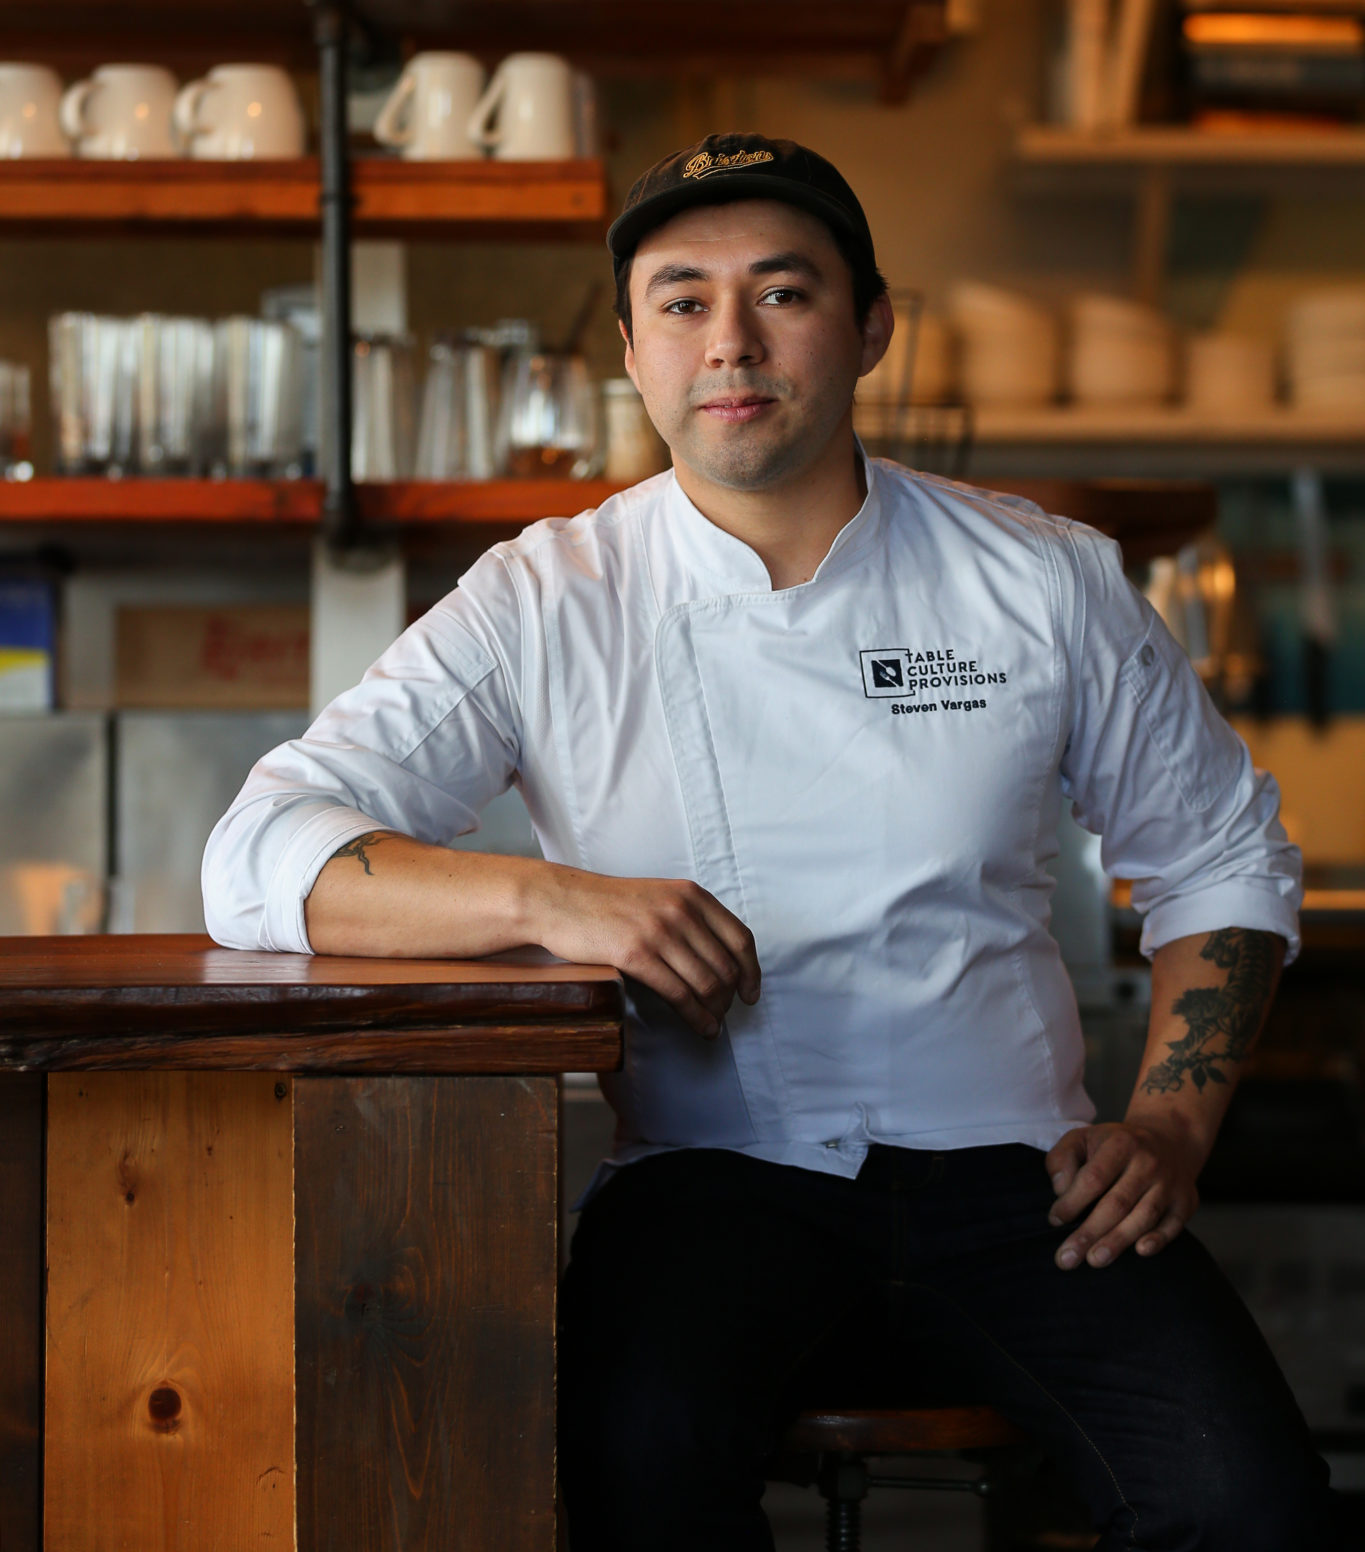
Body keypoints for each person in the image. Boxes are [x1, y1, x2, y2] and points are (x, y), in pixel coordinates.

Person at [203, 133, 1342, 1551]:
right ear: (632, 348)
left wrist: (1172, 1126)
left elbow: (1219, 855)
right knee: (629, 1488)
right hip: (709, 1180)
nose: (728, 343)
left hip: (1024, 1176)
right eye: (681, 301)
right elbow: (259, 851)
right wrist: (562, 902)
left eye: (781, 294)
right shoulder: (545, 597)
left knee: (1257, 1511)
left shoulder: (1038, 577)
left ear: (869, 327)